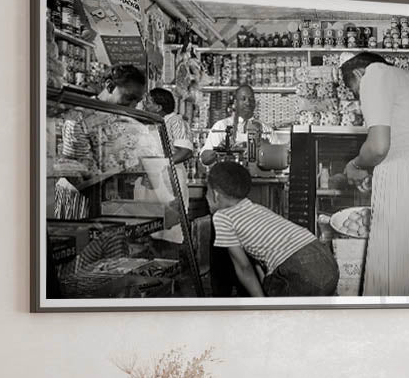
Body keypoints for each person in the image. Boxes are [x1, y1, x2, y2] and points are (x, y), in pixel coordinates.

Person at [340, 52, 409, 297]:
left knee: (391, 268)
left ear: (358, 74)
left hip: (403, 175)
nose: (360, 100)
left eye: (356, 92)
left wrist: (356, 165)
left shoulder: (374, 73)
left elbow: (378, 146)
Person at [207, 161, 339, 297]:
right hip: (326, 260)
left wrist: (262, 303)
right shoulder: (254, 208)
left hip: (300, 269)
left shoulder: (222, 217)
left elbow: (243, 268)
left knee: (275, 314)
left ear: (215, 194)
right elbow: (259, 259)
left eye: (207, 191)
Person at [142, 87, 193, 243]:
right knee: (155, 225)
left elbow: (185, 151)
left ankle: (174, 259)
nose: (144, 104)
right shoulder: (155, 123)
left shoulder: (175, 121)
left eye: (148, 102)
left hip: (171, 178)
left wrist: (162, 164)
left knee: (172, 226)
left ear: (158, 107)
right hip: (155, 178)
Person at [199, 85, 271, 165]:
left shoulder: (265, 129)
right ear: (235, 103)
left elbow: (279, 159)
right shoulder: (221, 126)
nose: (248, 103)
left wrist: (266, 148)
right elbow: (204, 159)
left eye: (251, 99)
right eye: (243, 99)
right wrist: (218, 151)